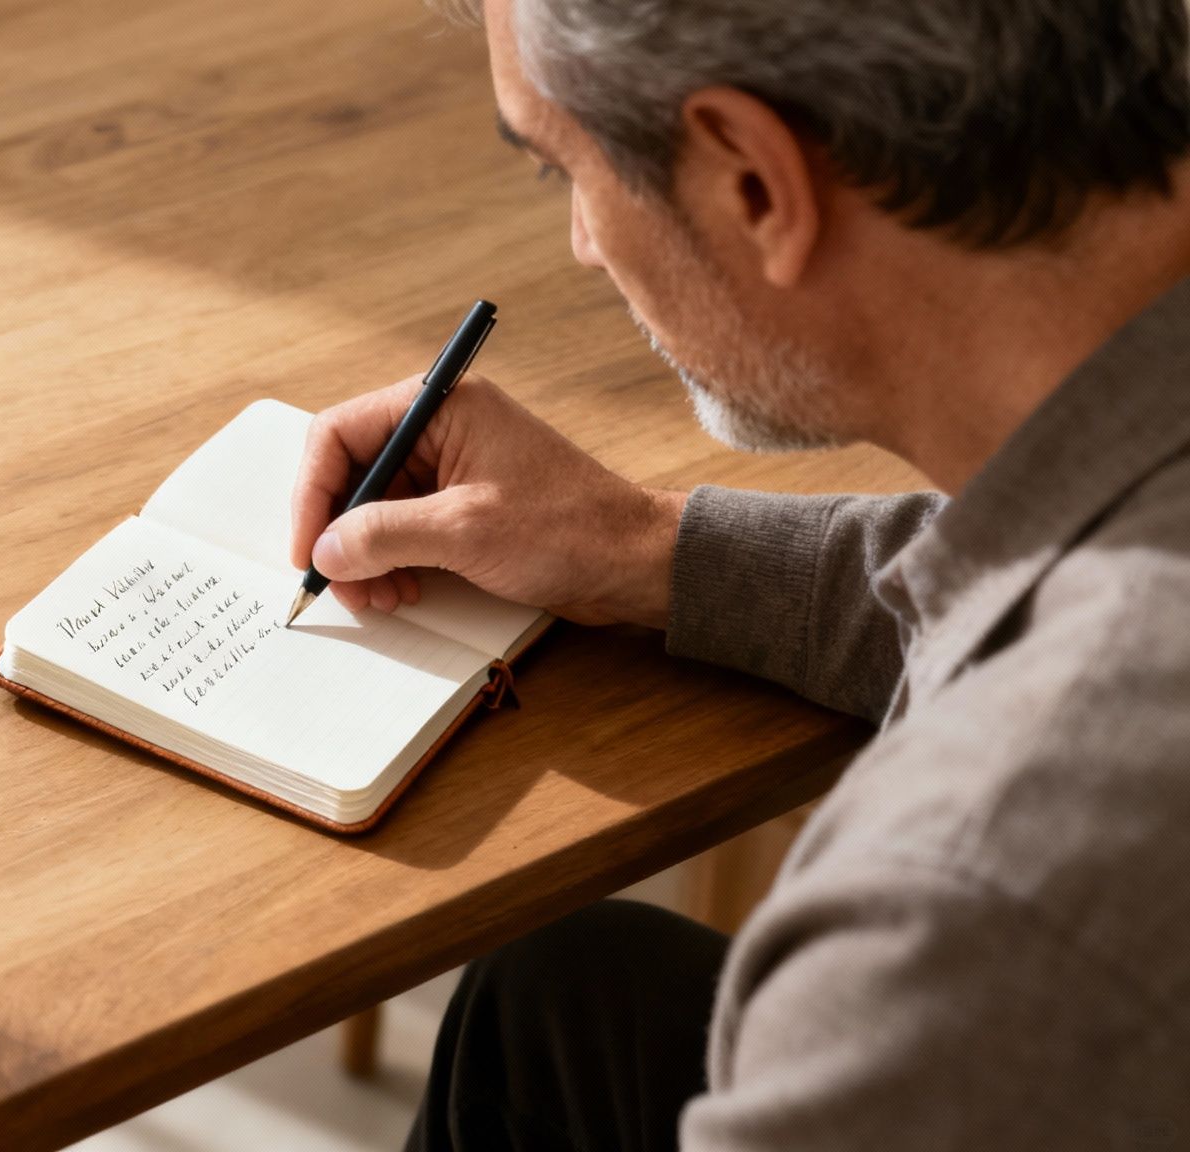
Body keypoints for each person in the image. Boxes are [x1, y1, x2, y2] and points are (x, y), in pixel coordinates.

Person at [288, 1, 1190, 1148]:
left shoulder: (959, 920)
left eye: (560, 167)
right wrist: (640, 546)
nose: (579, 240)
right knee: (566, 997)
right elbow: (1039, 583)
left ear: (753, 184)